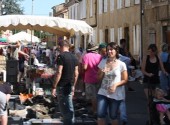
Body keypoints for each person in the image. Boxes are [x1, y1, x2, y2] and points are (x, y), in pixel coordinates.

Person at [97, 42, 128, 125]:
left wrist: (115, 85)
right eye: (108, 50)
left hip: (115, 94)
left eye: (111, 49)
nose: (109, 51)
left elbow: (125, 80)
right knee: (100, 114)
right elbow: (98, 78)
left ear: (116, 51)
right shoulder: (103, 62)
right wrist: (102, 73)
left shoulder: (122, 64)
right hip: (103, 92)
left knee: (113, 116)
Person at [51, 40, 79, 125]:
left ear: (60, 47)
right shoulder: (74, 57)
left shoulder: (61, 56)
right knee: (70, 107)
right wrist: (74, 85)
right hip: (70, 85)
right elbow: (76, 73)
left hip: (62, 85)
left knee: (64, 109)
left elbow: (59, 72)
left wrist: (54, 87)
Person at [82, 42, 102, 114]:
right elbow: (102, 68)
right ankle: (99, 109)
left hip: (89, 78)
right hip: (99, 77)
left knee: (93, 96)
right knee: (98, 94)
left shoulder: (86, 56)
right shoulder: (100, 56)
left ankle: (95, 111)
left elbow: (85, 67)